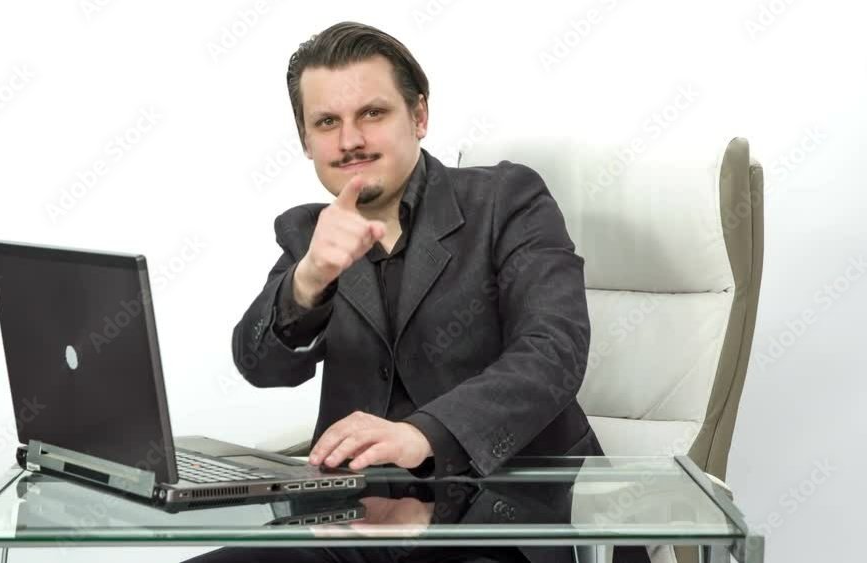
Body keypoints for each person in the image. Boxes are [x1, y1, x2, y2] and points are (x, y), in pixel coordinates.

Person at [191, 21, 648, 563]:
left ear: (420, 116)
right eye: (327, 122)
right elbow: (260, 364)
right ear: (306, 141)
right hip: (357, 525)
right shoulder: (312, 235)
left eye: (372, 113)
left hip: (500, 523)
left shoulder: (506, 200)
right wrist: (309, 279)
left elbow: (553, 352)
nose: (350, 140)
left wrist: (424, 435)